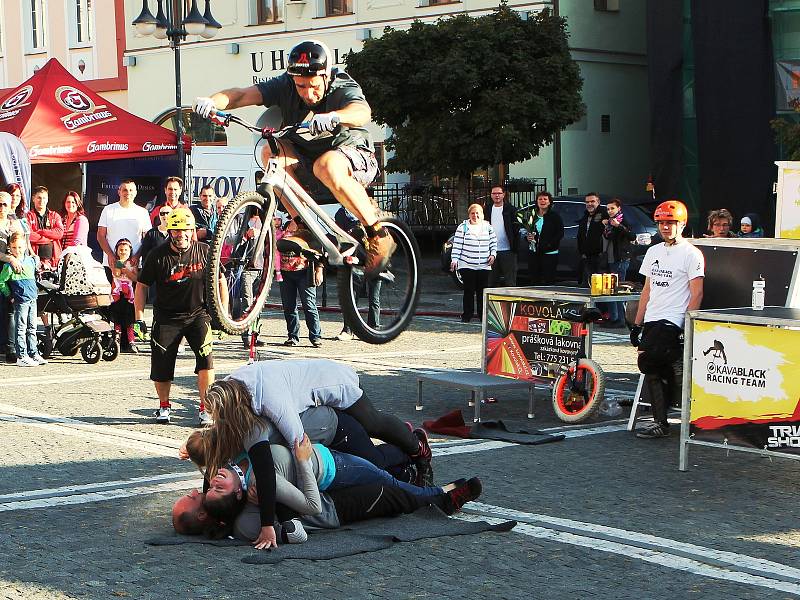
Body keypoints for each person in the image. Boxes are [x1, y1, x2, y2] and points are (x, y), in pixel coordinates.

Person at [193, 39, 394, 278]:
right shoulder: (285, 84)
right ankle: (303, 226)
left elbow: (362, 112)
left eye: (313, 86)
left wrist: (335, 116)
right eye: (300, 86)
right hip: (309, 165)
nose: (308, 93)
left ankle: (378, 233)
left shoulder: (341, 84)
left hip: (353, 156)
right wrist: (211, 102)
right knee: (270, 154)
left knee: (327, 164)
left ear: (325, 77)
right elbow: (239, 95)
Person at [133, 207, 227, 426]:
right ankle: (164, 406)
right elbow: (142, 286)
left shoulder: (205, 251)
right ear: (169, 231)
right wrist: (139, 318)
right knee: (161, 367)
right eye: (176, 230)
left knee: (206, 362)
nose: (181, 234)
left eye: (186, 229)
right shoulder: (157, 254)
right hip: (166, 317)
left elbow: (221, 280)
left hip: (198, 315)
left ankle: (206, 408)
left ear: (192, 230)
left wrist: (223, 315)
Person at [630, 200, 704, 439]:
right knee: (654, 368)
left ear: (681, 224)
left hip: (672, 319)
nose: (665, 227)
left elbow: (697, 292)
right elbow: (647, 290)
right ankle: (662, 418)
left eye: (670, 223)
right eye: (661, 223)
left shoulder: (692, 253)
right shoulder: (654, 251)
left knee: (649, 362)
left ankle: (661, 422)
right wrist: (637, 323)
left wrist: (687, 323)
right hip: (653, 317)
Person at [334, 206, 380, 341]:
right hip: (355, 261)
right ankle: (348, 329)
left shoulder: (372, 215)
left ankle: (373, 328)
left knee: (374, 299)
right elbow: (341, 238)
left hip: (373, 262)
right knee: (351, 298)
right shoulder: (342, 214)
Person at [0, 232, 46, 366]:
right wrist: (10, 296)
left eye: (20, 247)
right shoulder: (9, 266)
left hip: (32, 298)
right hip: (20, 301)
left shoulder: (30, 261)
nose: (17, 250)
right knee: (21, 328)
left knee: (32, 327)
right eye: (14, 248)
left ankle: (34, 353)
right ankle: (22, 356)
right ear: (10, 247)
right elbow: (1, 281)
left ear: (25, 246)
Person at [278, 219, 323, 348]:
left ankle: (315, 336)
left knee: (309, 305)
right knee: (289, 306)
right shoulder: (283, 230)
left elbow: (317, 250)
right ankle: (293, 336)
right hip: (285, 272)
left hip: (304, 272)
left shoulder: (306, 230)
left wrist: (319, 270)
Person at [450, 203, 496, 323]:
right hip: (467, 264)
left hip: (484, 265)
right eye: (472, 213)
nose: (475, 215)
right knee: (469, 290)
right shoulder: (462, 227)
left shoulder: (488, 226)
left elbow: (493, 242)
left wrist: (493, 254)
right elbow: (457, 245)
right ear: (469, 214)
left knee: (482, 292)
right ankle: (467, 315)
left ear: (482, 214)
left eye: (477, 213)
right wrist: (454, 260)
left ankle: (483, 316)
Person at [97, 179, 152, 280]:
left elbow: (147, 238)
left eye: (131, 190)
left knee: (135, 295)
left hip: (133, 265)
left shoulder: (143, 212)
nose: (128, 193)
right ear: (119, 192)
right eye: (125, 190)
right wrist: (110, 255)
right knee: (113, 295)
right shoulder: (108, 210)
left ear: (135, 193)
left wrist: (137, 255)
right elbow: (100, 235)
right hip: (112, 264)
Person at [600, 198, 636, 328]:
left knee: (619, 289)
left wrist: (618, 226)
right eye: (608, 209)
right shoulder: (609, 223)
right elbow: (609, 237)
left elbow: (632, 236)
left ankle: (621, 319)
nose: (609, 211)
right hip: (610, 259)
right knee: (609, 289)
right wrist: (607, 226)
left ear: (619, 208)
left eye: (612, 208)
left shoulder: (622, 221)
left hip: (620, 259)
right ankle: (614, 317)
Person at [519, 191, 564, 285]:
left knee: (549, 280)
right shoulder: (532, 216)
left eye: (545, 199)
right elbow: (527, 231)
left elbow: (560, 233)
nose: (542, 201)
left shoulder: (554, 216)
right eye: (540, 199)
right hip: (534, 253)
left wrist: (549, 245)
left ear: (549, 202)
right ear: (537, 201)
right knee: (534, 279)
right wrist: (528, 238)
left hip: (550, 253)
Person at [0, 192, 24, 362]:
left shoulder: (14, 223)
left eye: (4, 205)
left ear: (10, 207)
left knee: (10, 309)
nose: (1, 208)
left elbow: (22, 245)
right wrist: (10, 258)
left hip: (11, 271)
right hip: (5, 265)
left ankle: (9, 348)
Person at [484, 186, 520, 287]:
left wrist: (515, 246)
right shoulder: (487, 209)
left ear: (503, 194)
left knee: (510, 282)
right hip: (491, 252)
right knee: (491, 282)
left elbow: (516, 229)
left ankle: (510, 303)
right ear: (491, 195)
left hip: (508, 250)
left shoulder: (511, 209)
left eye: (499, 193)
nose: (497, 195)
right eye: (494, 193)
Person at [109, 238, 138, 353]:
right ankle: (117, 341)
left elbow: (135, 278)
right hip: (118, 294)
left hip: (129, 296)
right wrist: (121, 264)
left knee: (129, 321)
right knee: (118, 320)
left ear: (130, 250)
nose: (123, 252)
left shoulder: (133, 263)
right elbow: (116, 273)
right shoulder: (117, 262)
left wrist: (126, 270)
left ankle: (131, 342)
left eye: (125, 250)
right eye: (121, 250)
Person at [26, 186, 64, 271]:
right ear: (33, 199)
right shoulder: (28, 216)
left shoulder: (55, 215)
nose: (42, 200)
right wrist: (50, 238)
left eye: (44, 198)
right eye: (39, 197)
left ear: (47, 199)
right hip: (34, 260)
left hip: (53, 261)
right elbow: (29, 235)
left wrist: (41, 231)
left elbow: (60, 233)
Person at [577, 192, 608, 287]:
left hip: (600, 256)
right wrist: (582, 251)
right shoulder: (585, 216)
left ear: (598, 202)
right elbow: (581, 235)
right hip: (587, 256)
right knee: (587, 285)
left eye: (592, 201)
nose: (589, 204)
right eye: (587, 202)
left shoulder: (605, 214)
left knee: (599, 286)